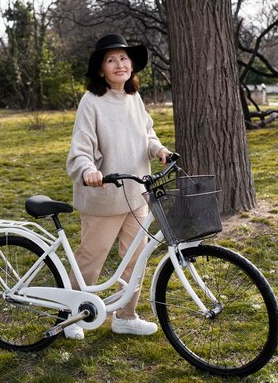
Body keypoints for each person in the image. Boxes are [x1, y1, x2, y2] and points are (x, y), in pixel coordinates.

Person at [65, 34, 171, 340]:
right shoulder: (92, 102)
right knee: (91, 258)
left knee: (135, 260)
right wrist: (87, 170)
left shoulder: (134, 98)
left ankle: (126, 316)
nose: (119, 64)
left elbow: (147, 135)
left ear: (132, 65)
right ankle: (72, 314)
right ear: (101, 70)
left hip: (136, 195)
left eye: (124, 58)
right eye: (111, 60)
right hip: (104, 197)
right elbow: (80, 148)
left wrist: (159, 150)